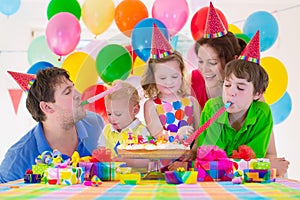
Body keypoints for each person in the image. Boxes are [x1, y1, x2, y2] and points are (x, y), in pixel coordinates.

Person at [190, 2, 289, 176]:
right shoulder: (208, 102)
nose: (204, 69)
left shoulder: (258, 109)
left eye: (212, 62)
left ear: (231, 62)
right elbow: (207, 160)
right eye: (200, 61)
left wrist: (263, 164)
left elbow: (261, 156)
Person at [0, 67, 105, 183]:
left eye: (73, 87)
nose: (79, 94)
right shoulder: (17, 160)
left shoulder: (96, 123)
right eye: (68, 92)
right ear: (47, 107)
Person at [197, 31, 273, 158]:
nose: (231, 92)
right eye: (227, 85)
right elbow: (210, 161)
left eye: (240, 88)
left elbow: (254, 161)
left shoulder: (262, 113)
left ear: (257, 93)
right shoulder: (212, 108)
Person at [141, 24, 200, 141]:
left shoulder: (192, 101)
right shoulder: (151, 105)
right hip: (163, 157)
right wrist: (178, 135)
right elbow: (157, 134)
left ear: (182, 74)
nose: (169, 82)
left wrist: (193, 151)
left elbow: (200, 131)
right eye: (162, 78)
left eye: (174, 76)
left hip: (191, 157)